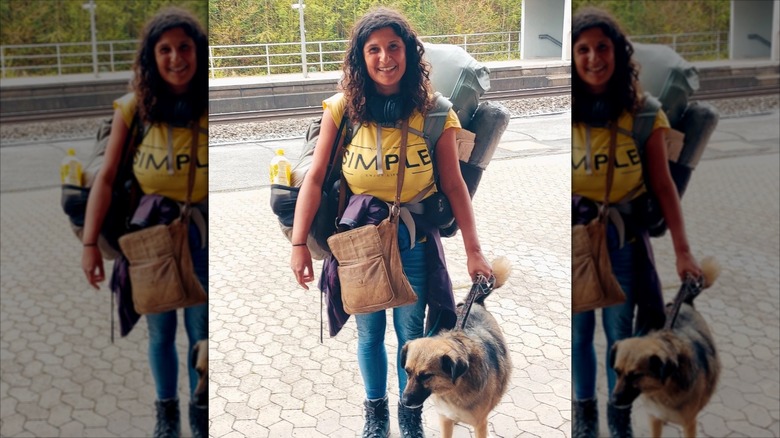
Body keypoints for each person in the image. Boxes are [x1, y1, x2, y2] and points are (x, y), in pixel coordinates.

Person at [289, 7, 492, 438]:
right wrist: (298, 244)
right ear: (361, 58)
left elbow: (456, 188)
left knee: (408, 335)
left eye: (394, 47)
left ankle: (409, 413)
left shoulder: (435, 113)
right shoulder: (343, 109)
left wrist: (475, 251)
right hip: (359, 243)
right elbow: (315, 178)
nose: (385, 58)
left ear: (409, 52)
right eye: (374, 49)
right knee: (368, 334)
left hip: (414, 242)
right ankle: (376, 413)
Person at [571, 7, 703, 438]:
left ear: (618, 53)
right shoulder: (567, 113)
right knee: (576, 337)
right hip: (572, 240)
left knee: (618, 338)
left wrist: (683, 251)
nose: (594, 58)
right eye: (583, 48)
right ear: (573, 56)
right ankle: (585, 416)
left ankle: (619, 414)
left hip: (622, 242)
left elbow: (664, 188)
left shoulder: (643, 114)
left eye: (603, 47)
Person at [80, 7, 208, 438]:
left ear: (198, 50)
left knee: (201, 337)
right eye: (165, 49)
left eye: (185, 47)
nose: (176, 58)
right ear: (152, 57)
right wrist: (89, 245)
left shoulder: (210, 104)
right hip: (150, 239)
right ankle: (166, 415)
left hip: (201, 241)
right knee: (160, 332)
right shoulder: (135, 108)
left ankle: (200, 413)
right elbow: (106, 178)